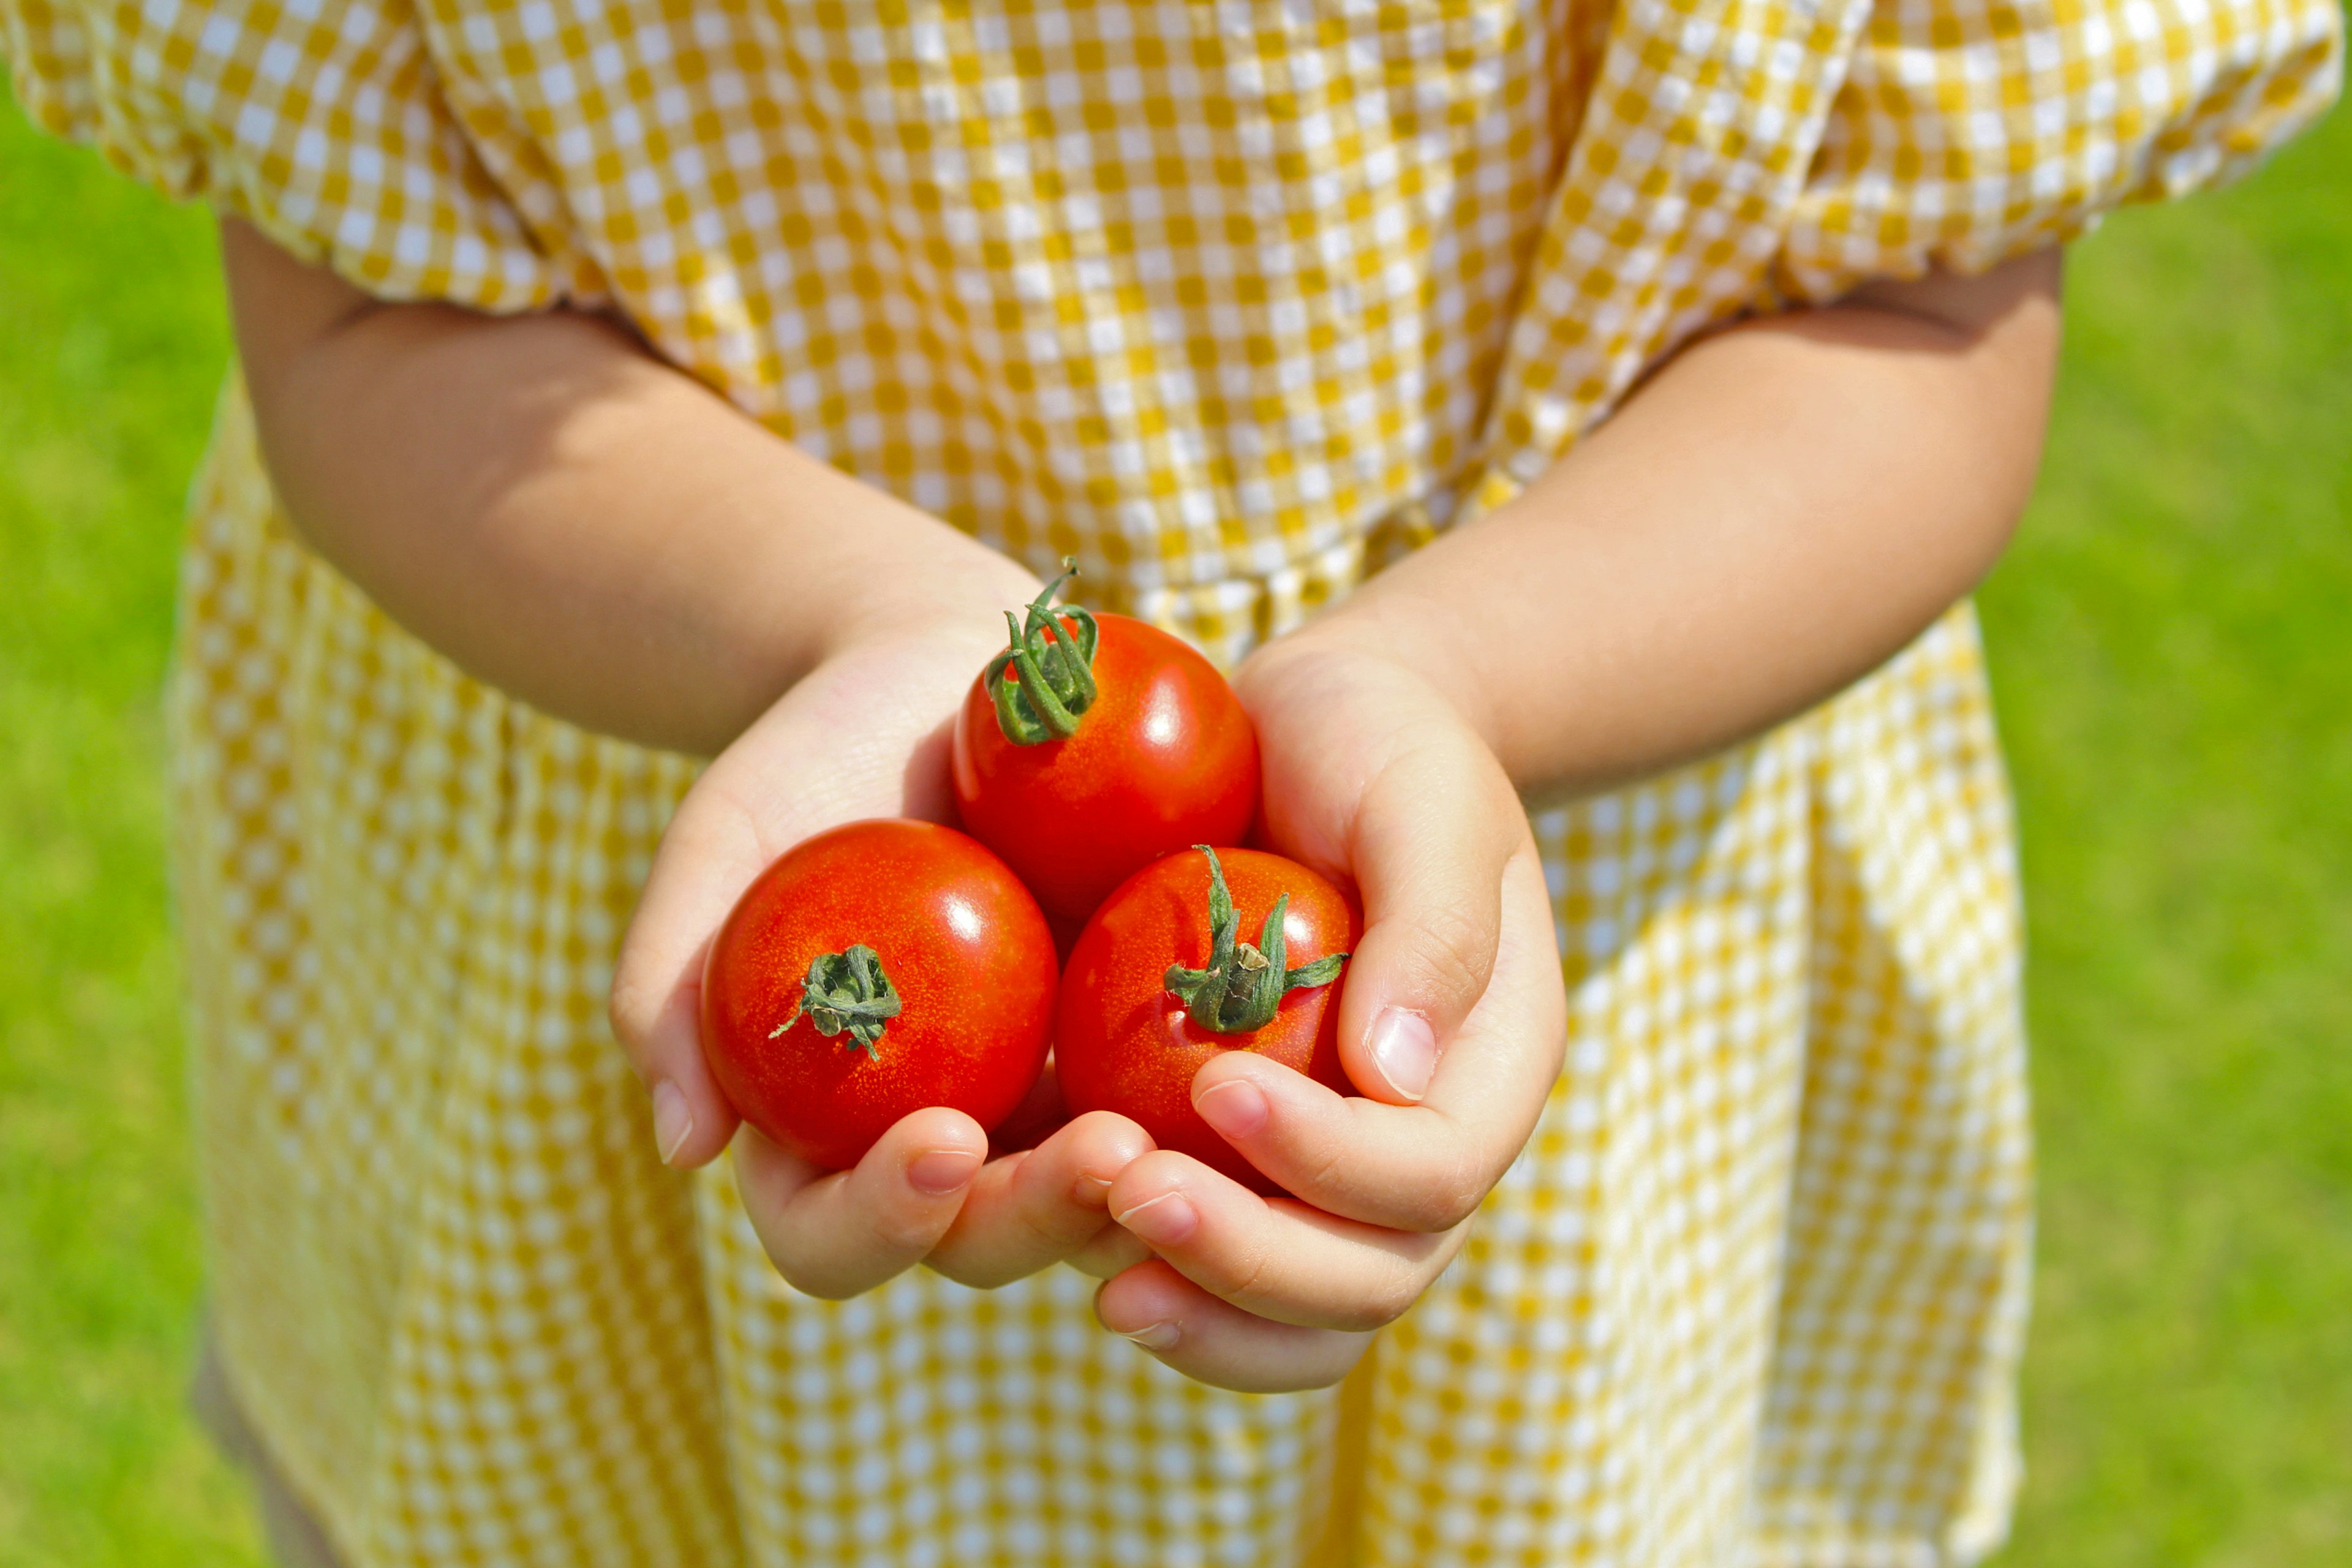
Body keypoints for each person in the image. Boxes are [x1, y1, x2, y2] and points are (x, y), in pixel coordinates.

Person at [6, 0, 2339, 1563]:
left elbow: (1919, 310)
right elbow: (367, 309)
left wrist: (1454, 670)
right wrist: (831, 624)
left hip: (1574, 910)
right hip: (638, 776)